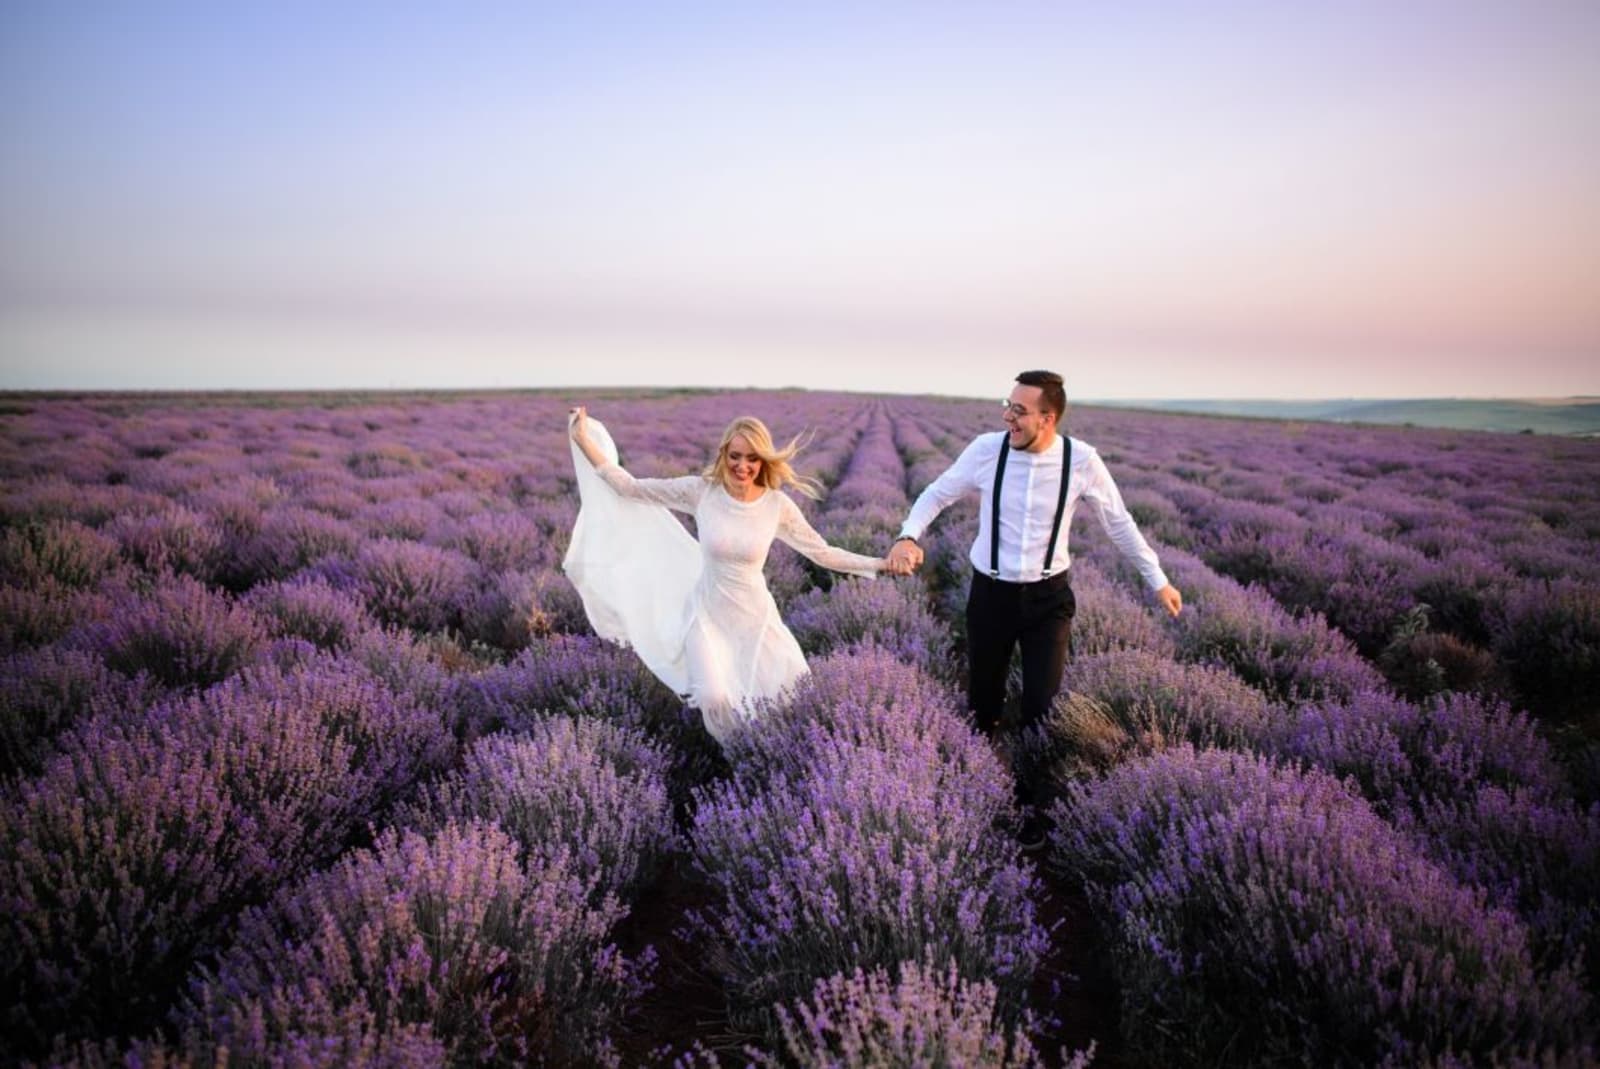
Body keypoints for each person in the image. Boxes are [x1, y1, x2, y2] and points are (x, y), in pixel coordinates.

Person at [886, 370, 1182, 847]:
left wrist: (1158, 581)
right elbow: (938, 492)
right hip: (992, 595)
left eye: (1019, 411)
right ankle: (976, 796)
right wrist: (907, 535)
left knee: (1042, 708)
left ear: (1049, 418)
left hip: (1048, 600)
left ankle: (1028, 807)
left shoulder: (1082, 461)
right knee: (983, 702)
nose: (1008, 416)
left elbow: (1119, 523)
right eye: (1008, 405)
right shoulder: (987, 449)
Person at [566, 407, 906, 748]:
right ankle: (740, 755)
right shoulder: (701, 491)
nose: (743, 466)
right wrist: (583, 440)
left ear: (763, 461)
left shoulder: (777, 505)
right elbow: (630, 488)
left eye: (752, 458)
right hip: (706, 615)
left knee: (780, 701)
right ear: (724, 454)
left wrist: (878, 564)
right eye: (735, 456)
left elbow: (822, 552)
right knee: (714, 698)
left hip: (754, 619)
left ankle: (756, 764)